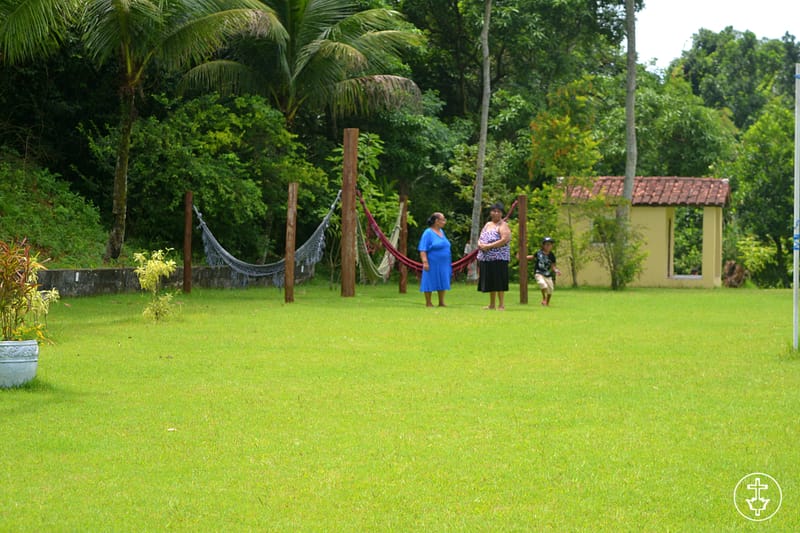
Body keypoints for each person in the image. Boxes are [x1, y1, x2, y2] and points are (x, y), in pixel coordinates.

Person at [477, 202, 511, 310]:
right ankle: (492, 304)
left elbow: (504, 239)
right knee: (490, 281)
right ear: (490, 212)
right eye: (494, 211)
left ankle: (501, 304)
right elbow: (481, 237)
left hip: (499, 258)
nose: (496, 213)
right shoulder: (487, 224)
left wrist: (489, 246)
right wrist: (480, 244)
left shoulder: (503, 225)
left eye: (498, 211)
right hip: (486, 258)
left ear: (501, 213)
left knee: (499, 281)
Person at [418, 212, 452, 307]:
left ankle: (441, 302)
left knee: (443, 279)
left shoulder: (442, 232)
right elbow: (423, 249)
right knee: (429, 279)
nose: (444, 222)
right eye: (443, 220)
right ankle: (428, 302)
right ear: (437, 221)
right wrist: (425, 262)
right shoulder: (428, 233)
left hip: (444, 262)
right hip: (432, 261)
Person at [528, 236, 560, 306]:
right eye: (547, 244)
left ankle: (547, 303)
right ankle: (544, 298)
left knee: (550, 289)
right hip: (539, 272)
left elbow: (553, 266)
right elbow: (532, 257)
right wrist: (523, 257)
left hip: (547, 274)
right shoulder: (539, 253)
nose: (548, 246)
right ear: (543, 245)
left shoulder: (552, 255)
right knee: (543, 284)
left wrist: (556, 270)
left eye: (550, 245)